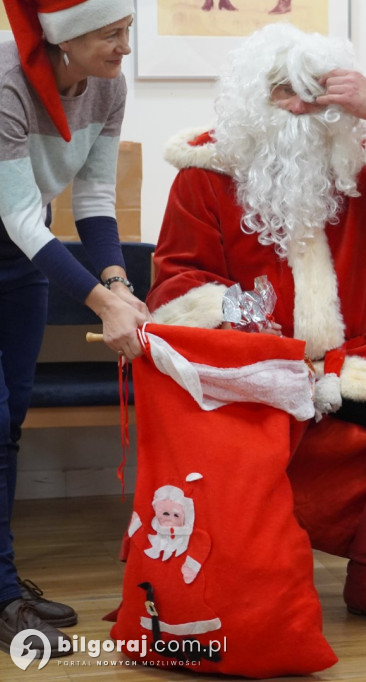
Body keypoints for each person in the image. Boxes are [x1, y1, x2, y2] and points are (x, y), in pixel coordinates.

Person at [146, 22, 366, 637]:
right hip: (252, 365)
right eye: (283, 94)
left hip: (348, 359)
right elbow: (175, 282)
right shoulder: (205, 169)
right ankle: (247, 573)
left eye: (314, 96)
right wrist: (240, 318)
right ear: (253, 99)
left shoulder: (351, 162)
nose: (300, 110)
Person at [0, 0, 148, 654]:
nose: (124, 47)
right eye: (112, 34)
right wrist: (103, 303)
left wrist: (117, 281)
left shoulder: (108, 88)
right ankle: (2, 593)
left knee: (10, 422)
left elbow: (91, 197)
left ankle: (1, 585)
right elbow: (23, 217)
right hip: (19, 237)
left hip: (20, 267)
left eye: (128, 31)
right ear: (66, 36)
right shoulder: (7, 80)